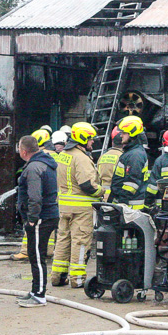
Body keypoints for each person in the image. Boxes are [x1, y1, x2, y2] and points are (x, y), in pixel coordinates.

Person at [51, 122, 104, 287]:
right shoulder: (81, 158)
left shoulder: (64, 155)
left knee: (63, 240)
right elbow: (87, 185)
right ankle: (77, 279)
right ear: (82, 139)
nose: (92, 142)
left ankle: (57, 276)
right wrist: (103, 193)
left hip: (64, 207)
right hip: (81, 209)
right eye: (90, 139)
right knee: (80, 242)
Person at [15, 135, 59, 307]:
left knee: (37, 256)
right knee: (35, 255)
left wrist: (32, 219)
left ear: (24, 151)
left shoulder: (34, 168)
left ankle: (39, 295)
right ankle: (35, 290)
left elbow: (35, 196)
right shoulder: (43, 163)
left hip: (41, 217)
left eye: (19, 147)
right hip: (46, 215)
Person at [109, 116, 149, 210]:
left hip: (130, 208)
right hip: (126, 206)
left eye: (123, 133)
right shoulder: (132, 152)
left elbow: (132, 183)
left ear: (131, 134)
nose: (121, 135)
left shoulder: (135, 155)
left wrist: (122, 203)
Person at [97, 128, 124, 202]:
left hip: (101, 196)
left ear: (112, 142)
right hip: (115, 197)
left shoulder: (103, 156)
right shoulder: (123, 157)